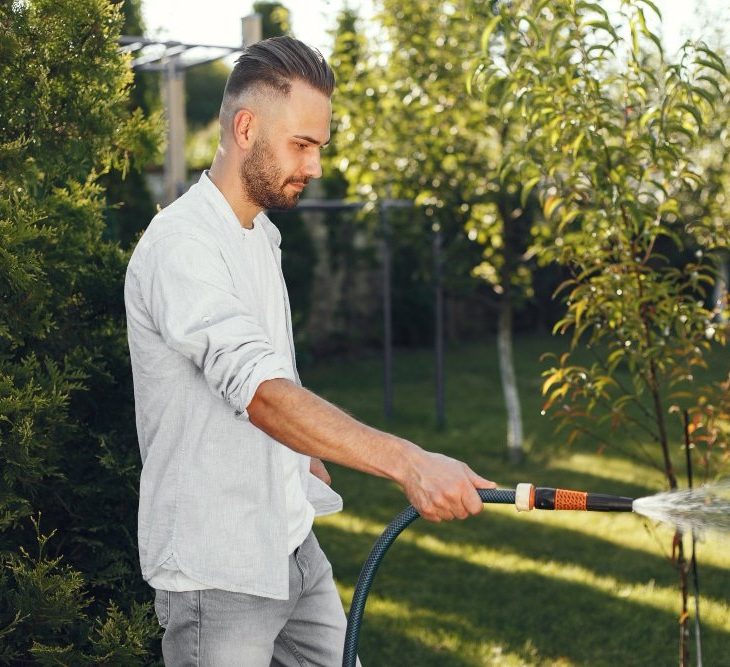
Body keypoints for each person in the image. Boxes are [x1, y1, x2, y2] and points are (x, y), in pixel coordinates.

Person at [124, 36, 495, 666]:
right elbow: (262, 394)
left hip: (291, 546)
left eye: (319, 146)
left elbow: (272, 380)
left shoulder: (258, 234)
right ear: (246, 128)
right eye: (302, 144)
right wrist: (409, 463)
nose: (316, 165)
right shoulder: (182, 247)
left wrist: (296, 459)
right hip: (220, 575)